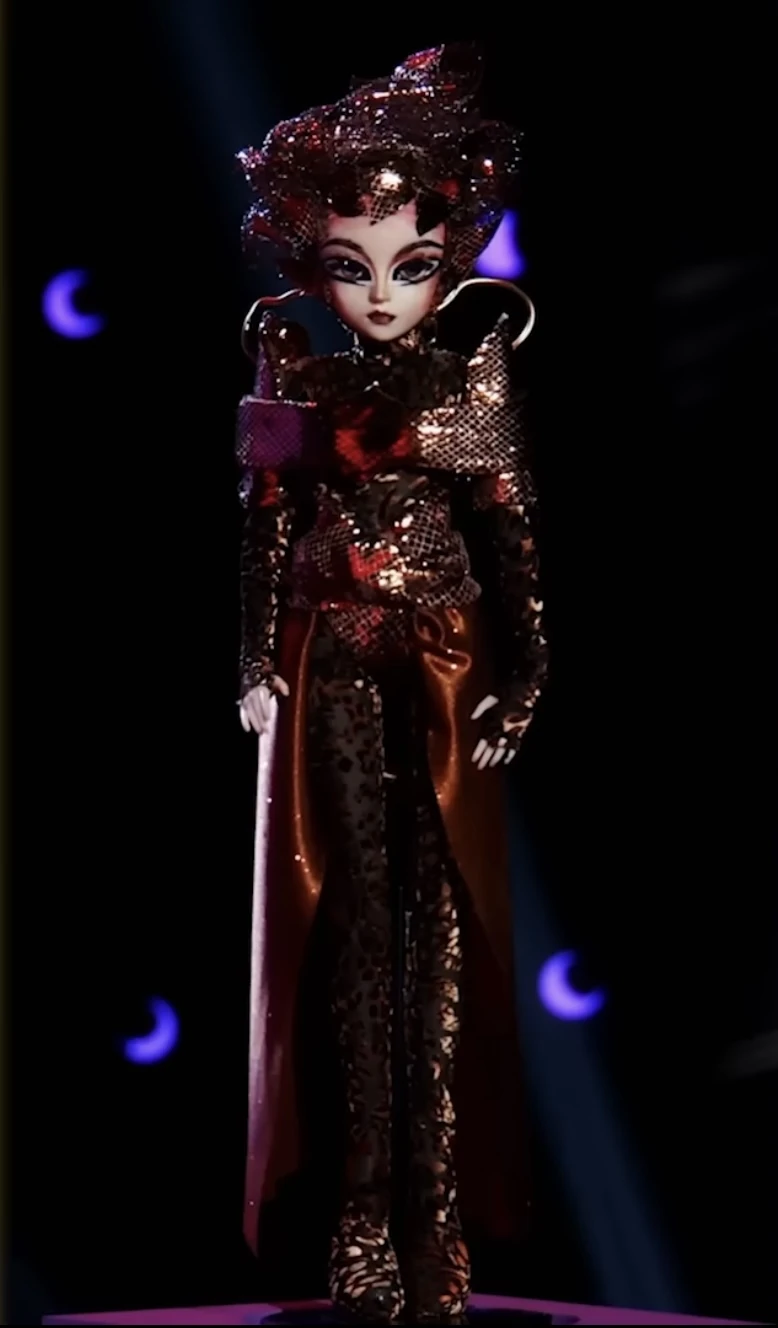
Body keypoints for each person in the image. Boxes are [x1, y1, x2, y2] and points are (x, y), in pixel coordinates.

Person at [235, 43, 548, 1324]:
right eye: (352, 266)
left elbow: (510, 534)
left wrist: (525, 677)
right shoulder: (294, 378)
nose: (378, 292)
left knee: (447, 926)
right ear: (311, 263)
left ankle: (435, 1206)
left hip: (443, 658)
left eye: (408, 264)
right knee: (358, 930)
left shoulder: (470, 378)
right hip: (330, 660)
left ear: (448, 259)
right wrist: (255, 661)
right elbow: (263, 532)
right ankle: (364, 1209)